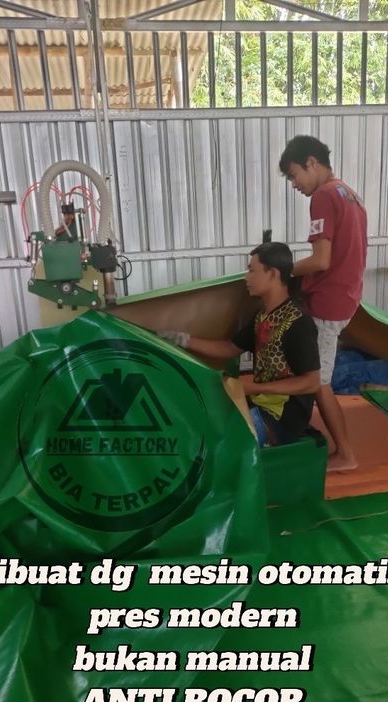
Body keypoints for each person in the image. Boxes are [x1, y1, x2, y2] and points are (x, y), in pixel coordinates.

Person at [160, 243, 320, 447]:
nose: (246, 278)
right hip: (258, 403)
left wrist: (255, 387)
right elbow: (229, 349)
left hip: (283, 418)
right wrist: (182, 340)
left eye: (252, 270)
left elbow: (312, 382)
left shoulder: (298, 321)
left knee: (216, 442)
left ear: (273, 274)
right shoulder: (262, 316)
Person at [278, 135, 368, 471]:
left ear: (311, 163)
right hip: (346, 296)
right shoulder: (348, 193)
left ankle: (346, 454)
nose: (294, 184)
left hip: (328, 302)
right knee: (313, 374)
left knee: (318, 381)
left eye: (294, 175)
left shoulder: (323, 196)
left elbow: (320, 260)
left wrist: (281, 271)